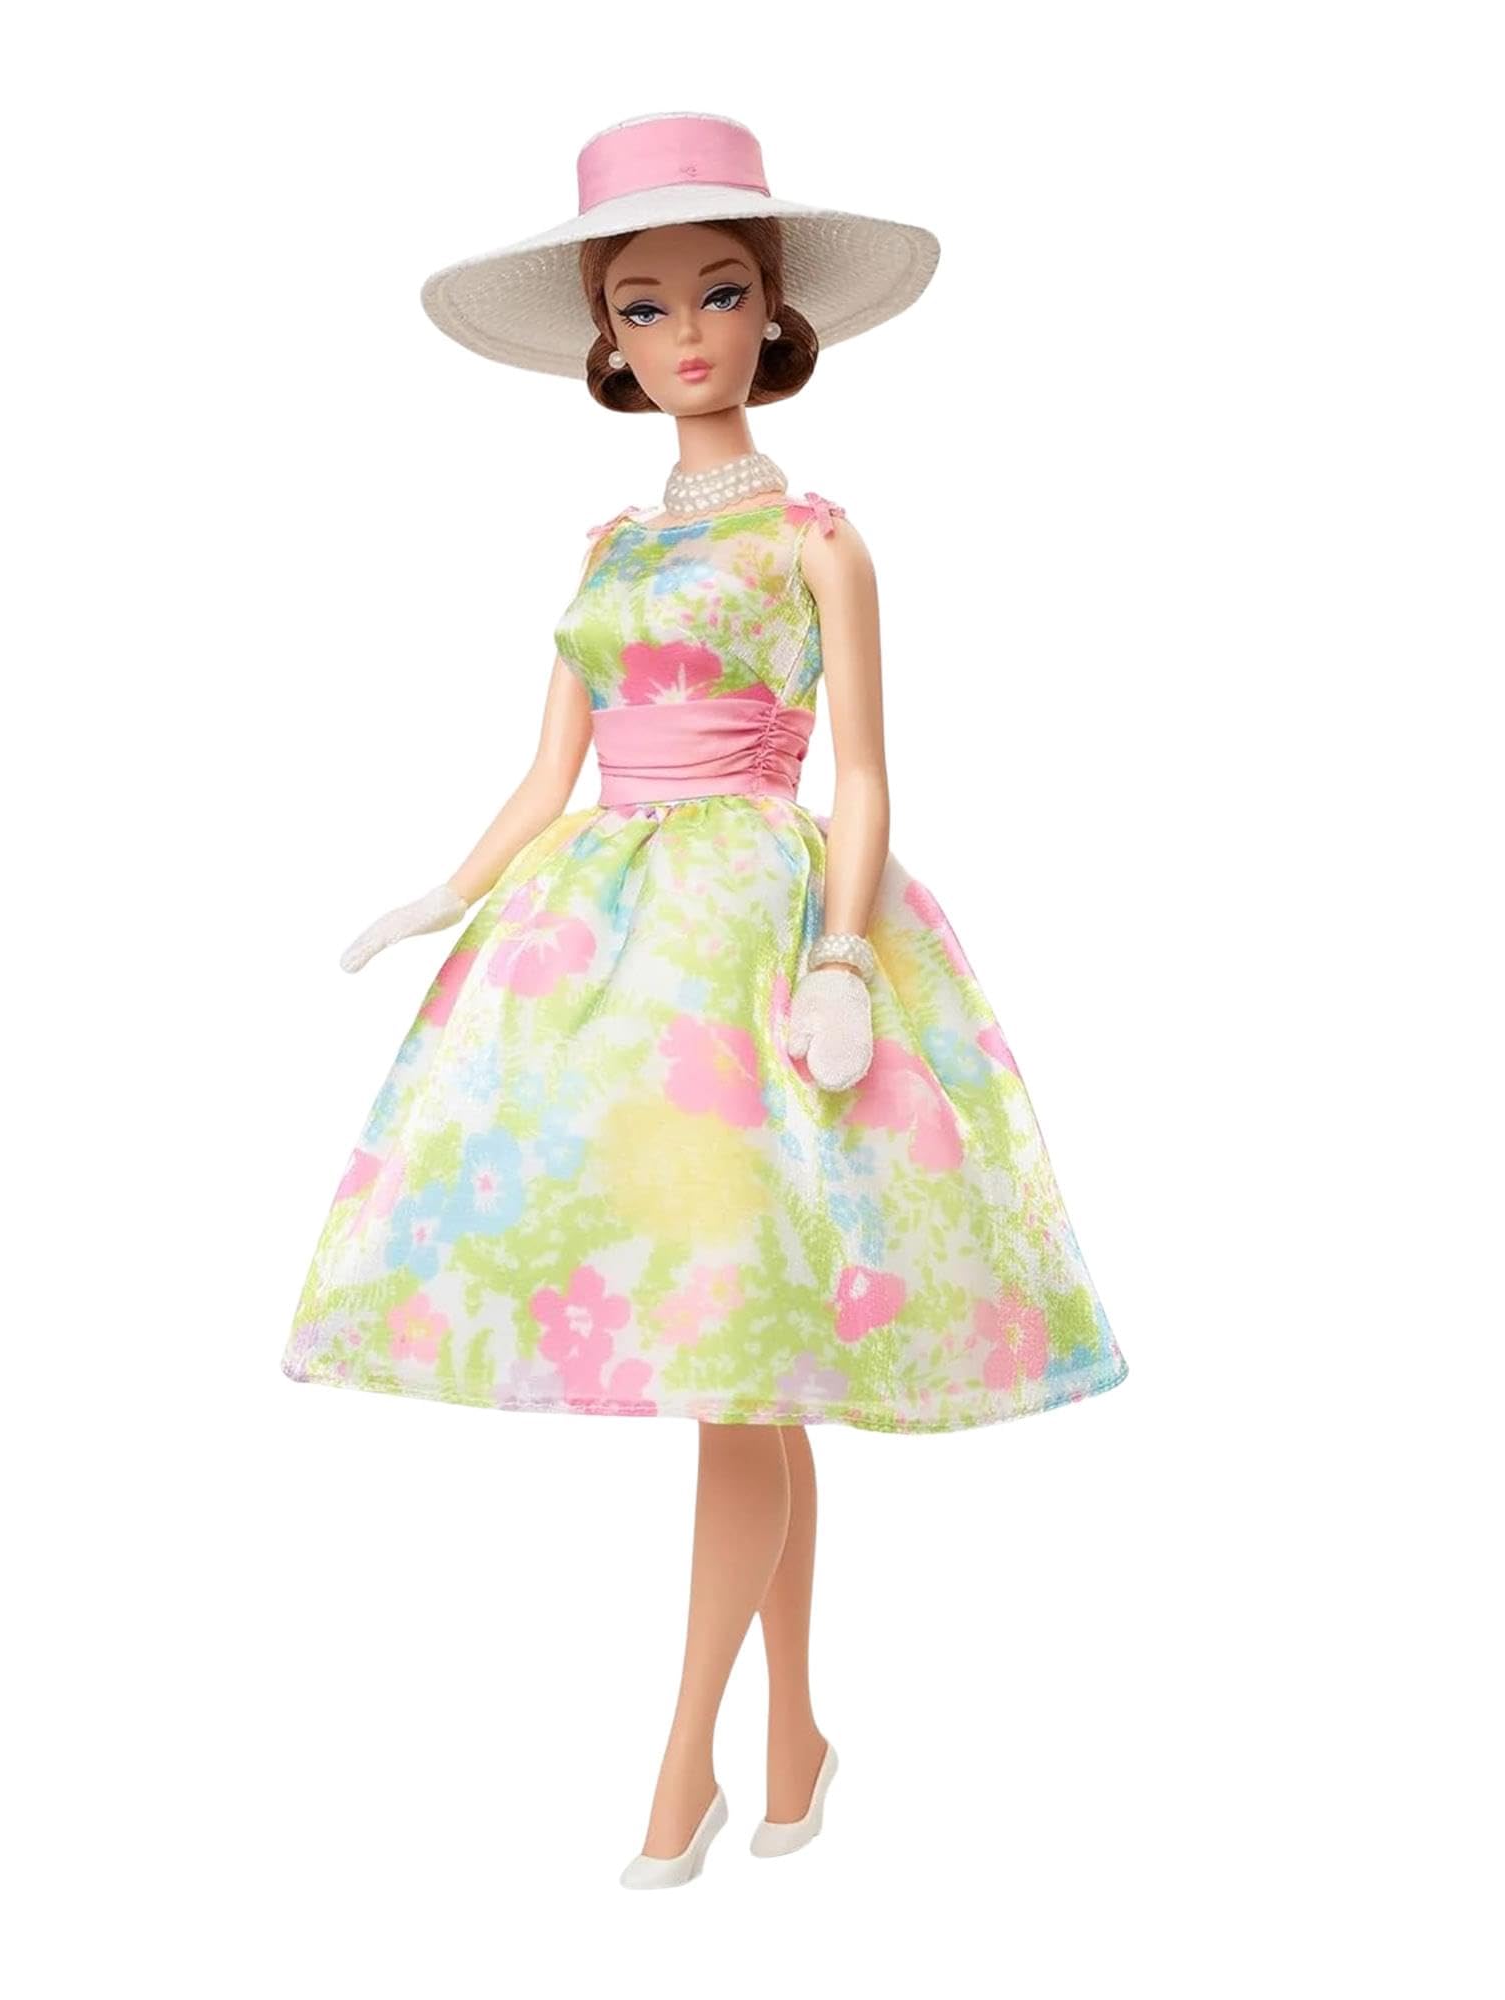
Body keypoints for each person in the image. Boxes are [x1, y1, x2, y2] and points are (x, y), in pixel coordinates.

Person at [280, 110, 1129, 1887]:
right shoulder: (603, 548)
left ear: (775, 311)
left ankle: (687, 1770)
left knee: (743, 1369)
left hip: (754, 943)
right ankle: (795, 1741)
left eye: (720, 294)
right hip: (608, 963)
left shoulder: (821, 541)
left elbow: (869, 776)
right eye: (646, 305)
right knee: (746, 1369)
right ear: (606, 334)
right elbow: (550, 774)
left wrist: (840, 955)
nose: (685, 335)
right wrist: (448, 892)